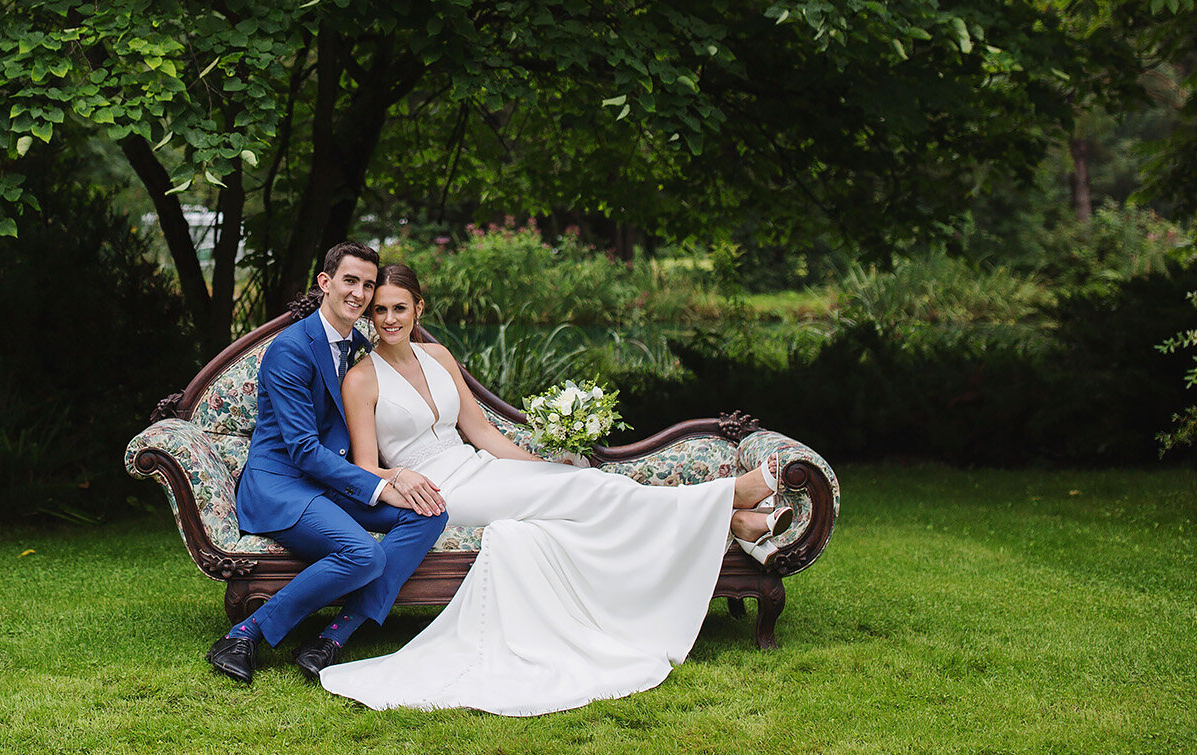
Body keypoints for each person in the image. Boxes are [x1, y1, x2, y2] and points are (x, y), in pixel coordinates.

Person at [315, 262, 790, 715]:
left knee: (580, 482)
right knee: (593, 489)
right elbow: (363, 468)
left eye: (399, 308)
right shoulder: (361, 379)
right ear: (369, 315)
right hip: (443, 493)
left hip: (478, 467)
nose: (389, 319)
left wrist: (542, 468)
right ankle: (731, 498)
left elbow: (482, 433)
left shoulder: (437, 356)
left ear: (420, 308)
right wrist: (399, 477)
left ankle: (734, 521)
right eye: (380, 310)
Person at [205, 243, 451, 685]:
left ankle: (331, 636)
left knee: (429, 511)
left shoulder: (357, 344)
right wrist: (378, 485)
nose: (359, 293)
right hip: (282, 485)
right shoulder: (291, 349)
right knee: (361, 554)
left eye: (368, 284)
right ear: (326, 283)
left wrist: (391, 476)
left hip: (328, 484)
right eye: (350, 281)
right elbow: (301, 449)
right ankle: (243, 635)